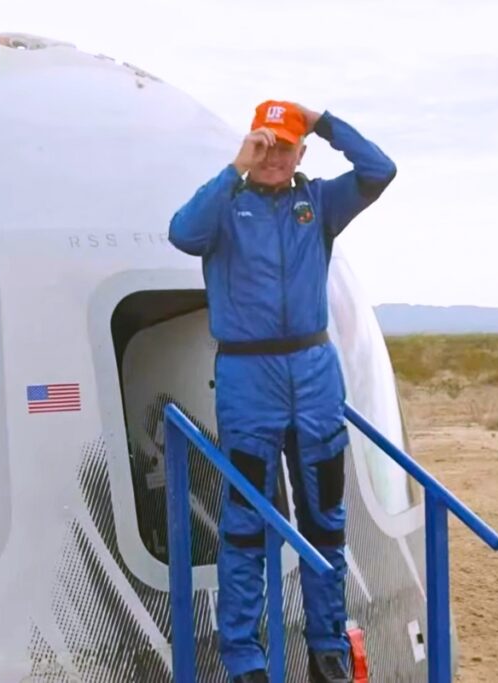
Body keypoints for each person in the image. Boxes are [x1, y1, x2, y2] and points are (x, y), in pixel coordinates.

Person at [168, 101, 396, 683]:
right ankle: (244, 657)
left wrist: (322, 120)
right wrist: (233, 168)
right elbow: (182, 233)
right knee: (247, 521)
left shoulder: (316, 204)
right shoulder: (226, 206)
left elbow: (379, 171)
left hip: (315, 374)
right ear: (251, 147)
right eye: (265, 146)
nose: (274, 157)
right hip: (250, 381)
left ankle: (327, 649)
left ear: (302, 152)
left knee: (325, 516)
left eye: (286, 146)